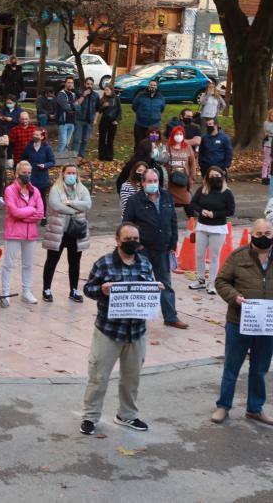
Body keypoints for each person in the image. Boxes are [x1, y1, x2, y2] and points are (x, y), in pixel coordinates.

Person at [80, 222, 161, 436]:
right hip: (109, 331)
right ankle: (90, 417)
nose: (133, 243)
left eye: (136, 239)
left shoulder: (144, 263)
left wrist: (156, 289)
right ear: (117, 241)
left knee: (131, 378)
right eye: (128, 240)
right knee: (98, 376)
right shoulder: (104, 263)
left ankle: (127, 415)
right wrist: (102, 290)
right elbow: (88, 288)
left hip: (136, 333)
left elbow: (149, 288)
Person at [211, 218, 273, 425]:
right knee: (232, 366)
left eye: (268, 233)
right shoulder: (238, 256)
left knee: (259, 368)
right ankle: (223, 406)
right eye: (259, 234)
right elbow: (220, 281)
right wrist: (234, 297)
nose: (263, 237)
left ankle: (255, 408)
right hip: (239, 322)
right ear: (251, 235)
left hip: (267, 325)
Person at [123, 169, 188, 329]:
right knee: (140, 283)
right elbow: (127, 224)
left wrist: (173, 243)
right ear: (143, 183)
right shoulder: (134, 200)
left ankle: (171, 317)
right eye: (149, 181)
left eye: (155, 181)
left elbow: (173, 220)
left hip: (163, 248)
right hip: (142, 249)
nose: (153, 184)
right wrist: (136, 245)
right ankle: (137, 317)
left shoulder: (166, 196)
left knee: (165, 283)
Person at [41, 164, 92, 303]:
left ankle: (74, 289)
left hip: (76, 230)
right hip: (58, 231)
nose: (71, 175)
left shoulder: (82, 189)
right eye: (68, 172)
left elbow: (87, 204)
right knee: (52, 260)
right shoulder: (56, 189)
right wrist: (75, 210)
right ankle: (46, 289)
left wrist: (69, 202)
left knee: (75, 262)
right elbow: (56, 205)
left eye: (74, 173)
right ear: (63, 174)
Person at [1, 160, 44, 307]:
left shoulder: (35, 191)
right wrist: (31, 210)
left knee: (28, 264)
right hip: (13, 233)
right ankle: (5, 293)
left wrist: (24, 215)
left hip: (30, 234)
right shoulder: (10, 190)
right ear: (17, 173)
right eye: (24, 173)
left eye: (29, 173)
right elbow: (13, 212)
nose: (27, 175)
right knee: (8, 264)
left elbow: (40, 214)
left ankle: (26, 291)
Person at [189, 167, 235, 295]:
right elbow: (192, 203)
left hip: (218, 228)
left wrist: (215, 214)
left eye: (217, 175)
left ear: (222, 176)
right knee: (199, 254)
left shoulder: (227, 193)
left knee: (214, 257)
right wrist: (201, 210)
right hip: (202, 226)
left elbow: (230, 211)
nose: (214, 177)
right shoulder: (202, 190)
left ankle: (211, 282)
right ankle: (200, 279)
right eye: (211, 175)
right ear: (207, 177)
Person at [21, 128, 55, 224]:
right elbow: (23, 158)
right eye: (34, 134)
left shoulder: (46, 148)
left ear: (42, 137)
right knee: (30, 197)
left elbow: (52, 162)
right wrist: (25, 166)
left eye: (37, 135)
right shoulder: (29, 146)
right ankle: (30, 215)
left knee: (42, 197)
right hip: (31, 176)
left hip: (42, 176)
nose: (34, 136)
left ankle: (43, 216)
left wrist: (44, 165)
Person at [116, 128, 168, 192]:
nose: (154, 150)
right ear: (147, 150)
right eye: (153, 148)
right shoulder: (135, 164)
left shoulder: (153, 164)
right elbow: (122, 180)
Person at [166, 125, 198, 218]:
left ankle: (193, 222)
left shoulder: (187, 147)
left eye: (181, 134)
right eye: (177, 134)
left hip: (183, 181)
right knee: (169, 205)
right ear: (173, 135)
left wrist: (192, 177)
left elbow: (193, 163)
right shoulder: (167, 146)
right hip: (170, 182)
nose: (179, 136)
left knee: (187, 201)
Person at [131, 79, 165, 148]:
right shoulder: (140, 95)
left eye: (154, 85)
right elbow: (134, 106)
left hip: (154, 126)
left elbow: (162, 109)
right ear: (148, 86)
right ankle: (137, 158)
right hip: (140, 125)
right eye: (151, 85)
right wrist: (140, 114)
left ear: (157, 87)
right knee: (139, 144)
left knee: (153, 145)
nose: (152, 87)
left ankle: (150, 158)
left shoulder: (161, 97)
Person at [71, 77, 99, 159]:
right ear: (84, 84)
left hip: (89, 121)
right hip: (79, 120)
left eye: (91, 84)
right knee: (76, 139)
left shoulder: (96, 95)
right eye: (88, 84)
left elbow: (98, 109)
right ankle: (73, 156)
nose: (89, 86)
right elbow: (76, 104)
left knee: (85, 140)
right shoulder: (79, 92)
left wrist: (95, 119)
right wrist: (84, 95)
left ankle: (81, 156)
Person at [97, 85, 122, 161]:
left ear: (111, 90)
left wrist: (117, 120)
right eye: (105, 90)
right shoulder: (103, 99)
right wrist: (103, 106)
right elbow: (99, 110)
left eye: (107, 90)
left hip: (113, 122)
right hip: (104, 121)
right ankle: (102, 155)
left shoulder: (116, 98)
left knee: (110, 139)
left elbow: (119, 111)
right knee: (102, 138)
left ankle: (109, 155)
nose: (106, 91)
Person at [55, 77, 77, 153]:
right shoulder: (61, 94)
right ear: (65, 83)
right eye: (69, 82)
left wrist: (73, 106)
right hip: (63, 122)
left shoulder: (73, 94)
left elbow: (78, 107)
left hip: (72, 122)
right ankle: (57, 161)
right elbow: (66, 107)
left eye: (72, 83)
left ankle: (64, 162)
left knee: (67, 144)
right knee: (62, 143)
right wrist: (73, 106)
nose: (70, 84)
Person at [262, 109, 273, 186]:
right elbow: (269, 131)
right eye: (272, 115)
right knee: (267, 161)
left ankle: (269, 177)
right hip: (268, 144)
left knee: (271, 162)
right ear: (269, 115)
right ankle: (264, 177)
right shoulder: (266, 123)